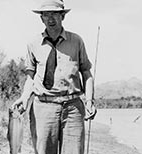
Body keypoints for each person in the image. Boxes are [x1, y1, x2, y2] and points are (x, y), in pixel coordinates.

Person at [12, 0, 96, 153]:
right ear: (41, 18)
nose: (50, 19)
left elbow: (86, 73)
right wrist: (24, 98)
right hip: (43, 108)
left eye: (55, 14)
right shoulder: (33, 43)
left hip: (73, 108)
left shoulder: (76, 41)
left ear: (62, 16)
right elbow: (31, 76)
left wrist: (89, 101)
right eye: (46, 15)